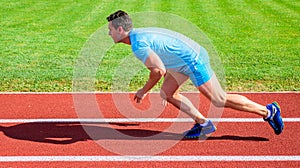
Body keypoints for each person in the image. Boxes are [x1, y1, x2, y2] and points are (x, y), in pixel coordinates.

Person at [106, 10, 284, 138]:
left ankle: (268, 111)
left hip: (193, 60)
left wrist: (143, 90)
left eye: (111, 30)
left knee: (219, 99)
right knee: (167, 93)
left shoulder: (138, 45)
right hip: (181, 61)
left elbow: (158, 71)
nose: (109, 33)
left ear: (120, 30)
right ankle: (203, 123)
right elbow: (161, 64)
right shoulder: (137, 36)